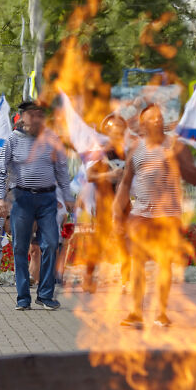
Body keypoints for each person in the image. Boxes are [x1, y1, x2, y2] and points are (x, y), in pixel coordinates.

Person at [115, 104, 196, 328]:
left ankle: (161, 313)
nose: (157, 120)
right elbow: (125, 183)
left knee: (164, 263)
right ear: (143, 124)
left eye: (160, 117)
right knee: (137, 263)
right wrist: (117, 213)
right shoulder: (136, 148)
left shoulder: (176, 145)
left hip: (167, 216)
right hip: (140, 215)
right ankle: (135, 312)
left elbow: (194, 178)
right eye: (152, 118)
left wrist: (177, 160)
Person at [0, 101, 73, 311]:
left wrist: (68, 197)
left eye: (40, 115)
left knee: (51, 244)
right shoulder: (12, 140)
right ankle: (23, 297)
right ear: (22, 117)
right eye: (32, 114)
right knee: (20, 247)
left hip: (47, 199)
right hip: (21, 199)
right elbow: (0, 171)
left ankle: (45, 295)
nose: (37, 118)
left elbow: (62, 171)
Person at [82, 114, 131, 293]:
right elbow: (90, 175)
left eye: (120, 127)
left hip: (123, 203)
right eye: (114, 126)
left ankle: (126, 281)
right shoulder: (100, 151)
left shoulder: (128, 152)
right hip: (104, 203)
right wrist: (109, 175)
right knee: (99, 242)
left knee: (125, 242)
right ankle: (89, 278)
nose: (117, 130)